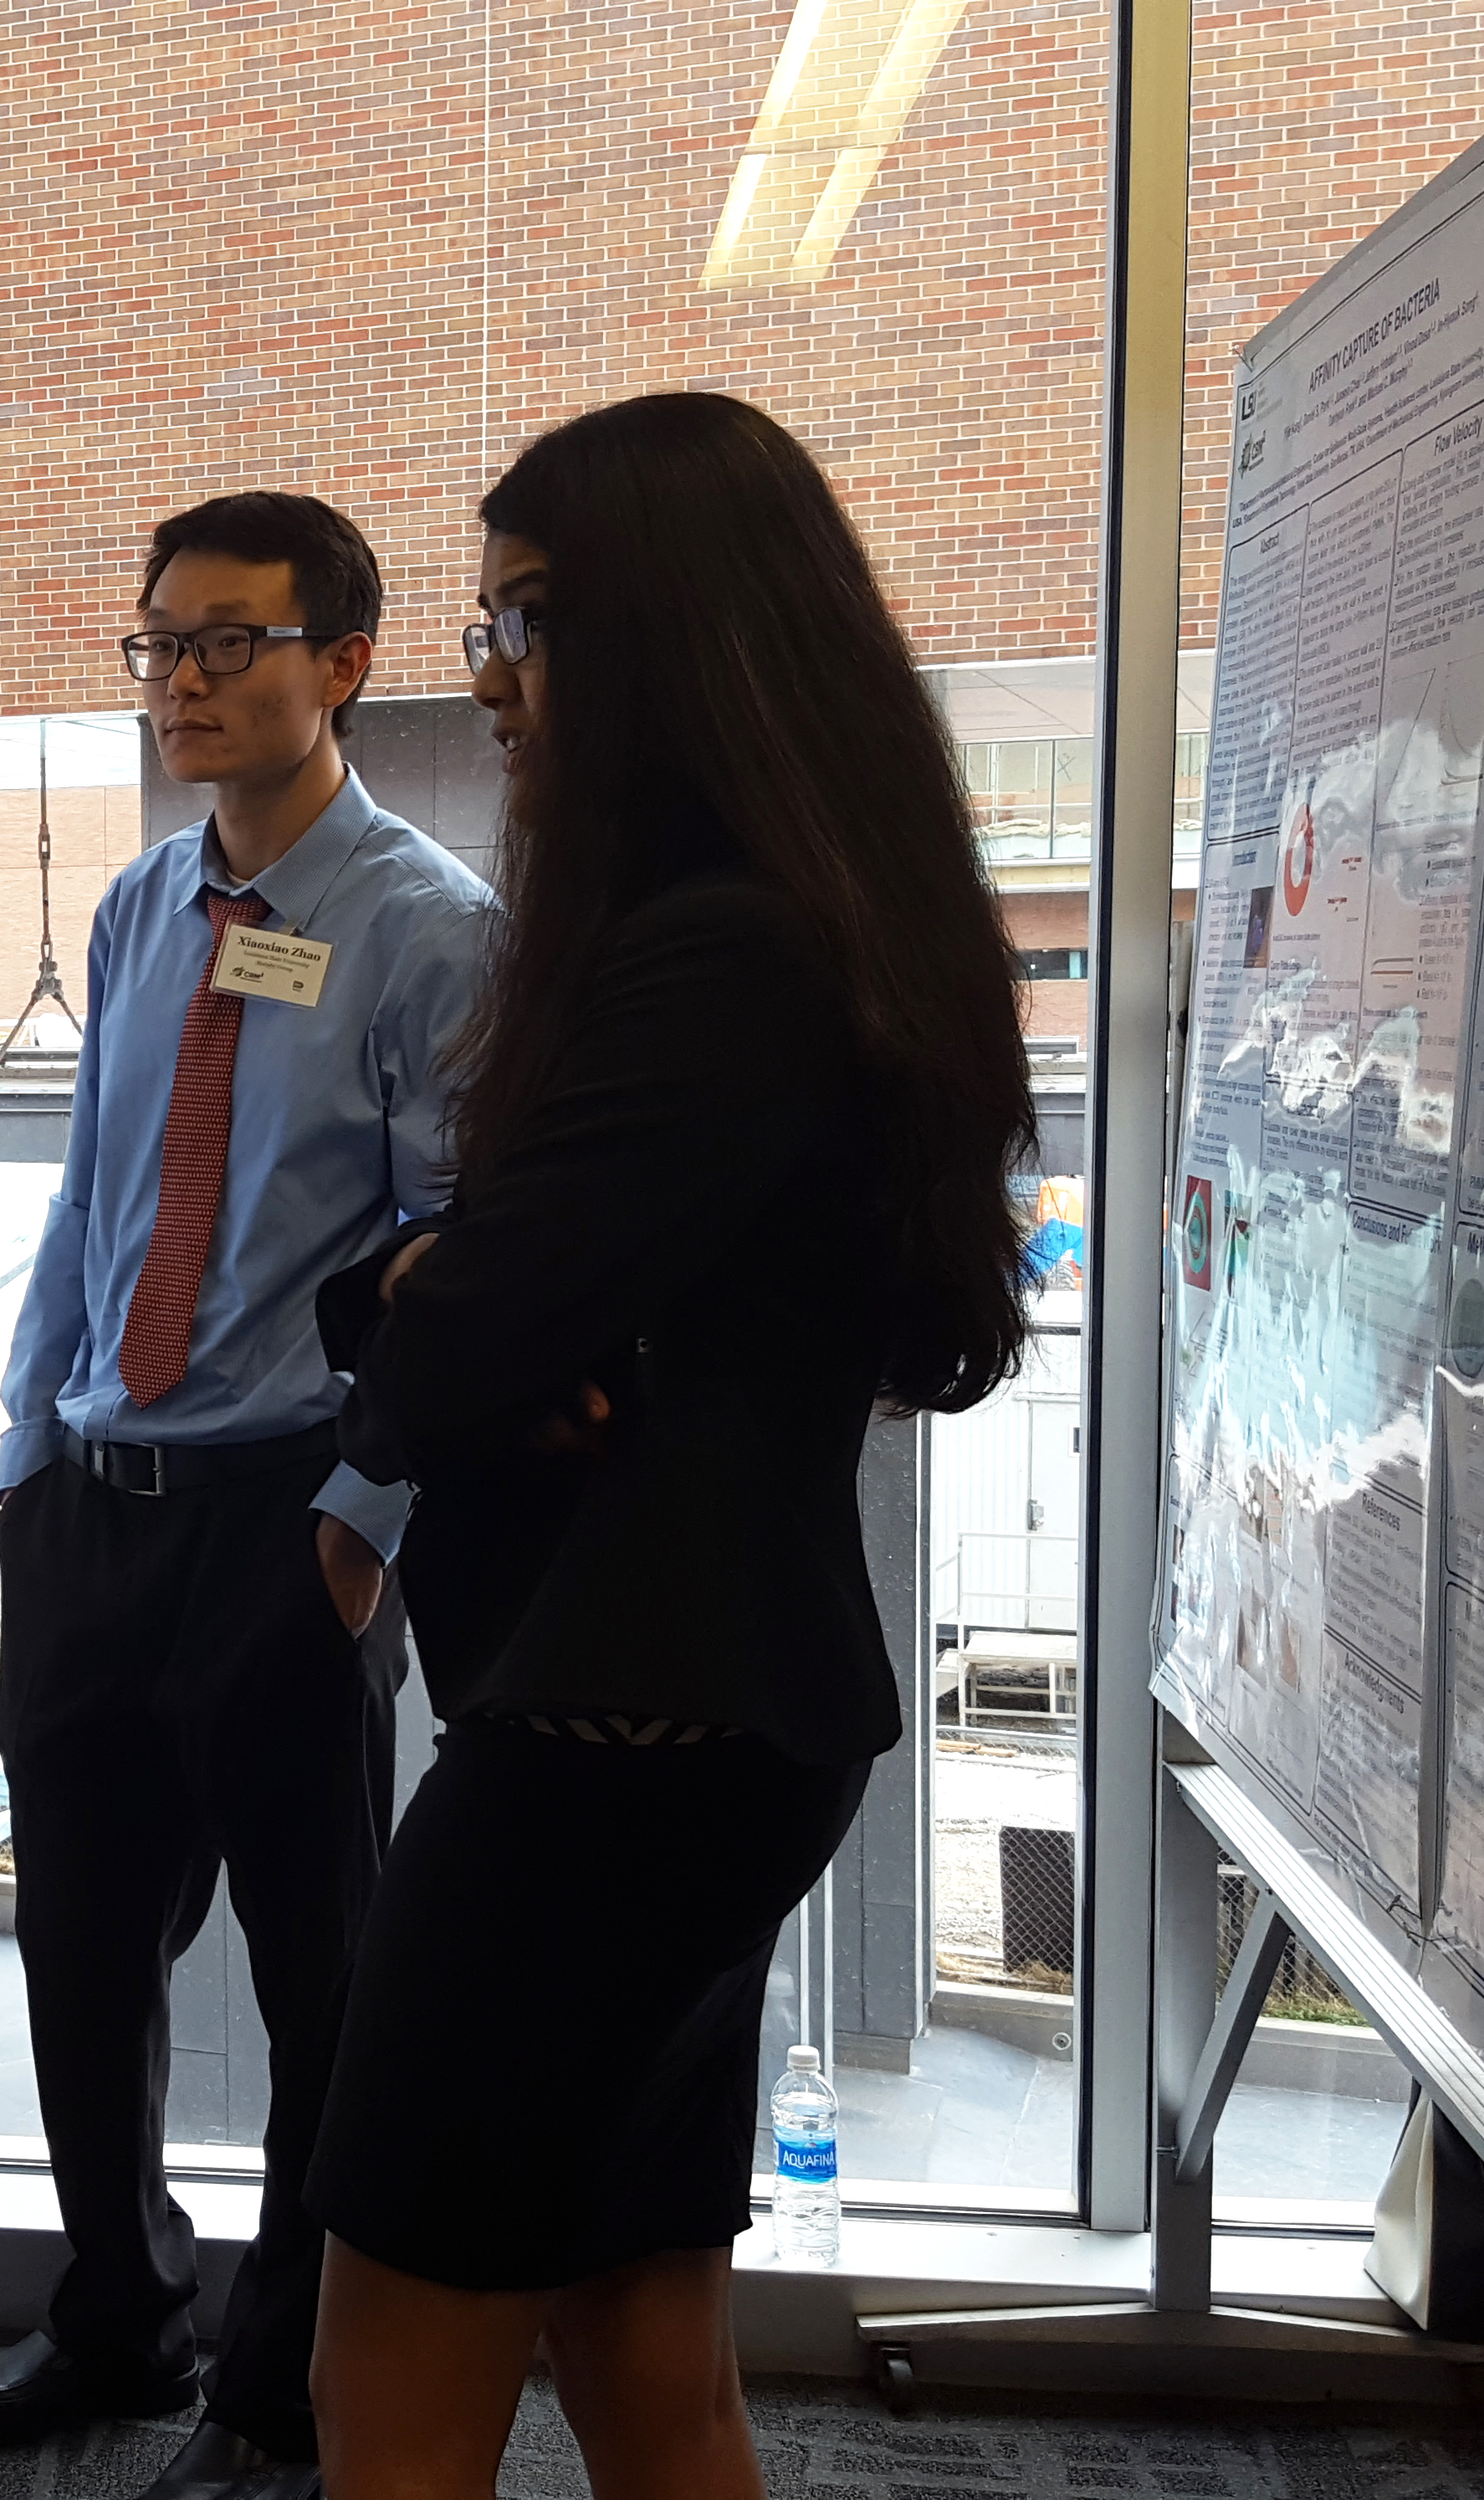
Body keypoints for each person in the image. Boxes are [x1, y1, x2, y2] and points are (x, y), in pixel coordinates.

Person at [301, 393, 1037, 2499]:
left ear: (673, 636)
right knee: (644, 2361)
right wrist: (477, 1296)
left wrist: (424, 1301)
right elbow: (525, 1309)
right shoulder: (829, 925)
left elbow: (440, 1364)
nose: (488, 671)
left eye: (524, 616)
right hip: (721, 1727)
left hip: (610, 1742)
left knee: (395, 2400)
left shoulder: (711, 956)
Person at [0, 494, 492, 2500]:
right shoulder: (143, 902)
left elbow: (453, 1261)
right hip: (91, 1498)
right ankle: (112, 2309)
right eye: (157, 645)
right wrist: (22, 1452)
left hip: (285, 1520)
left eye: (230, 643)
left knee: (318, 1978)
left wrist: (361, 1528)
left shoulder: (427, 927)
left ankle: (272, 2383)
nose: (183, 681)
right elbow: (90, 1181)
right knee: (76, 1944)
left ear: (342, 665)